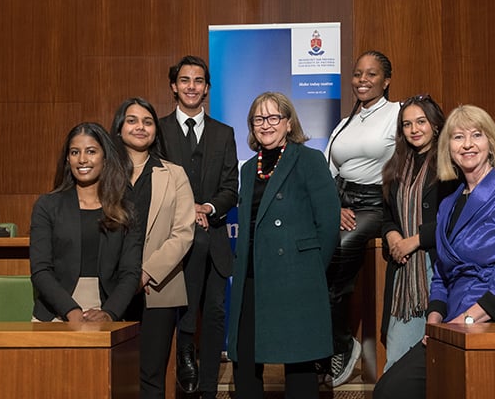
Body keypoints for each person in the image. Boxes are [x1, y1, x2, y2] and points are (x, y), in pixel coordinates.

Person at [373, 104, 495, 399]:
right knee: (390, 389)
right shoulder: (448, 203)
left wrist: (468, 319)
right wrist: (435, 320)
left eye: (476, 135)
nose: (467, 144)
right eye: (457, 137)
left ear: (490, 142)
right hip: (453, 323)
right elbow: (441, 274)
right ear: (447, 148)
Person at [227, 92, 341, 399]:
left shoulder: (309, 159)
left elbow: (329, 224)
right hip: (252, 275)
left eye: (273, 117)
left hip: (296, 276)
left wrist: (311, 269)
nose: (266, 125)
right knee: (244, 359)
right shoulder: (250, 168)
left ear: (288, 123)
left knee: (299, 363)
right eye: (258, 119)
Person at [159, 55, 239, 398]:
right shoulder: (158, 130)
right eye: (185, 80)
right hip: (171, 240)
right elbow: (154, 182)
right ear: (174, 86)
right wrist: (185, 208)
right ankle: (183, 356)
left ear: (207, 88)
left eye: (198, 81)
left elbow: (231, 187)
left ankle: (209, 388)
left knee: (216, 314)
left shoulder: (224, 133)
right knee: (183, 309)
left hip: (215, 236)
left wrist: (207, 207)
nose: (192, 87)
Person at [323, 50, 400, 386]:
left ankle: (341, 344)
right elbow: (329, 168)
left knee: (340, 248)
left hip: (375, 203)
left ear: (386, 80)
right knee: (316, 253)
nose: (363, 80)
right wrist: (333, 206)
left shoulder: (398, 114)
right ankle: (331, 341)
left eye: (371, 74)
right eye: (357, 74)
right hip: (341, 200)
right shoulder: (345, 123)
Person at [110, 97, 196, 398]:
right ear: (119, 127)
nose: (140, 127)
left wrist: (146, 273)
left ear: (155, 131)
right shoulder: (102, 174)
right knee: (110, 375)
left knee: (151, 376)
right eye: (132, 120)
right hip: (108, 288)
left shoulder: (174, 174)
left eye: (148, 121)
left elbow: (183, 233)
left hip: (157, 289)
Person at [30, 122, 142, 323]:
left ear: (105, 158)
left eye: (91, 151)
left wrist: (109, 313)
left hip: (108, 311)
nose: (82, 160)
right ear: (67, 159)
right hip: (55, 311)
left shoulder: (126, 210)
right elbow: (40, 269)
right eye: (75, 152)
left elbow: (130, 273)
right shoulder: (47, 205)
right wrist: (70, 310)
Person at [380, 95, 456, 371]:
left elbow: (457, 220)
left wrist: (416, 240)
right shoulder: (396, 165)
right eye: (407, 124)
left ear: (436, 125)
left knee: (439, 366)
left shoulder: (451, 164)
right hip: (404, 277)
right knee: (395, 366)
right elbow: (387, 215)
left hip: (437, 269)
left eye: (421, 122)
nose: (414, 129)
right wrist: (392, 236)